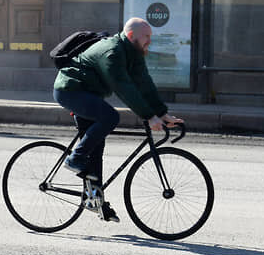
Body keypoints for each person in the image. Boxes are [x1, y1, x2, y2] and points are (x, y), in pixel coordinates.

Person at [53, 17, 184, 222]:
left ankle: (94, 200)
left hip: (89, 94)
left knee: (96, 147)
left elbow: (144, 83)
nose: (150, 41)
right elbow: (125, 88)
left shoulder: (134, 52)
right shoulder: (112, 53)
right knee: (111, 117)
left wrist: (161, 113)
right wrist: (148, 116)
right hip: (70, 91)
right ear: (131, 36)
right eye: (146, 37)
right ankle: (75, 159)